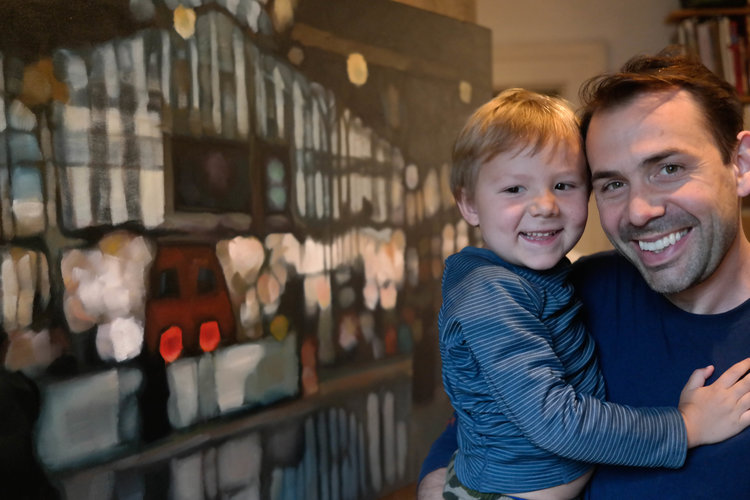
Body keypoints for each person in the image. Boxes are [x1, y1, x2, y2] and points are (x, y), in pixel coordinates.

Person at [419, 49, 750, 499]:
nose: (639, 211)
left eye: (669, 168)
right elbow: (476, 413)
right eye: (613, 183)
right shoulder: (574, 288)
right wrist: (436, 482)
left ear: (741, 164)